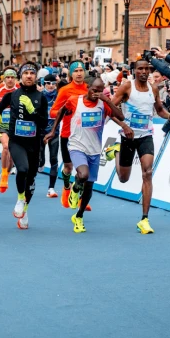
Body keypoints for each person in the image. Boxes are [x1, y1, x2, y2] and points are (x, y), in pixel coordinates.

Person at [47, 78, 131, 233]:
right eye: (94, 90)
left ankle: (79, 216)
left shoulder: (103, 104)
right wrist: (53, 131)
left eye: (100, 90)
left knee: (89, 187)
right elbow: (60, 112)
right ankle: (75, 188)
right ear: (88, 88)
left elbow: (120, 116)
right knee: (83, 175)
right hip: (76, 146)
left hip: (95, 149)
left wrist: (108, 101)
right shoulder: (74, 100)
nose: (96, 93)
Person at [112, 59, 170, 235]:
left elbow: (159, 109)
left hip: (146, 136)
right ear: (134, 70)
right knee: (123, 178)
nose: (143, 71)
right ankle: (116, 152)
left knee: (147, 172)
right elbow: (110, 109)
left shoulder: (153, 88)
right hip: (128, 137)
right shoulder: (126, 87)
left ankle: (144, 219)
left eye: (146, 69)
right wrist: (125, 126)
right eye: (140, 68)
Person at [0, 63, 48, 229]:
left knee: (31, 179)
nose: (29, 76)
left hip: (34, 143)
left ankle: (24, 210)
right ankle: (20, 198)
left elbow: (44, 123)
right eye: (25, 73)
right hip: (16, 141)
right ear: (21, 76)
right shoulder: (12, 95)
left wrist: (32, 110)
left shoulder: (42, 98)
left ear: (35, 77)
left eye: (32, 73)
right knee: (23, 170)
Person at [48, 61, 89, 208]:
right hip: (68, 134)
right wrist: (65, 111)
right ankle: (66, 188)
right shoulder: (65, 90)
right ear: (71, 73)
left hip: (85, 135)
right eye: (75, 71)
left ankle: (80, 198)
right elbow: (53, 111)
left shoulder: (89, 89)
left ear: (84, 72)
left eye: (81, 70)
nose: (78, 73)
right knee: (68, 167)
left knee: (83, 168)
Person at [0, 68, 18, 179]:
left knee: (11, 154)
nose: (10, 80)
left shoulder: (19, 89)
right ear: (4, 79)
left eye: (12, 77)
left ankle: (8, 169)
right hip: (2, 124)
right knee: (6, 147)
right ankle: (3, 172)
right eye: (8, 77)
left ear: (15, 79)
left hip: (15, 125)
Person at [40, 73, 60, 198]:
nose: (51, 86)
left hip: (55, 131)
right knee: (40, 160)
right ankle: (40, 163)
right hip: (41, 132)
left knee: (54, 159)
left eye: (53, 83)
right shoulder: (39, 96)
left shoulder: (59, 96)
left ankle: (51, 188)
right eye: (48, 83)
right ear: (44, 84)